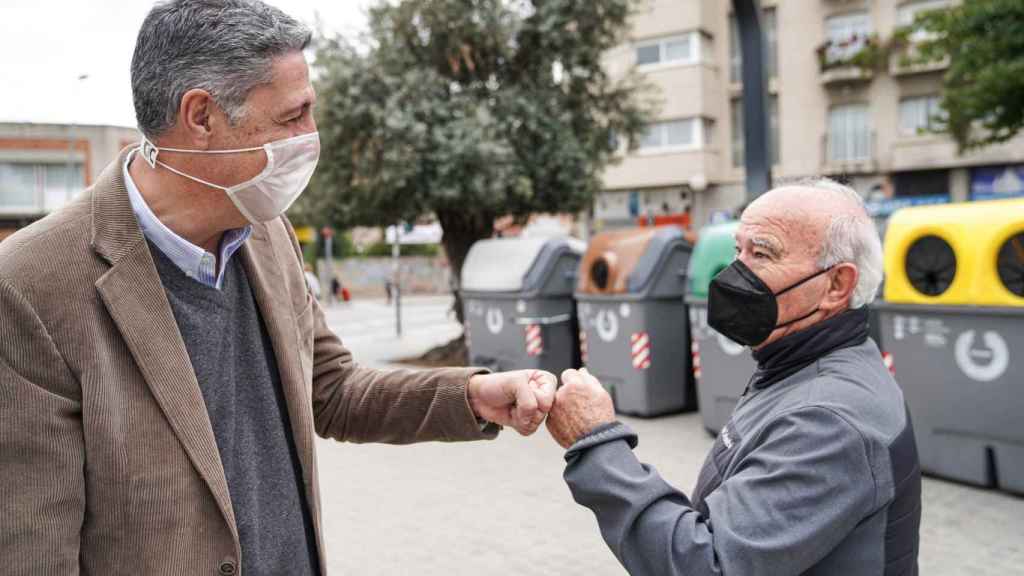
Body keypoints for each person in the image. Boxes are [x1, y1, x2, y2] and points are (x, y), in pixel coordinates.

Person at [0, 1, 556, 574]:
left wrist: (470, 396)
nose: (309, 137)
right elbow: (33, 551)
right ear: (201, 116)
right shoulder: (31, 284)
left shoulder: (265, 230)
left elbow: (332, 389)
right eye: (294, 116)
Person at [546, 179, 922, 576]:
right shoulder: (796, 365)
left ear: (836, 285)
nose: (735, 272)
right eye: (737, 250)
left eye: (761, 253)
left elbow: (706, 564)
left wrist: (596, 444)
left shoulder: (830, 420)